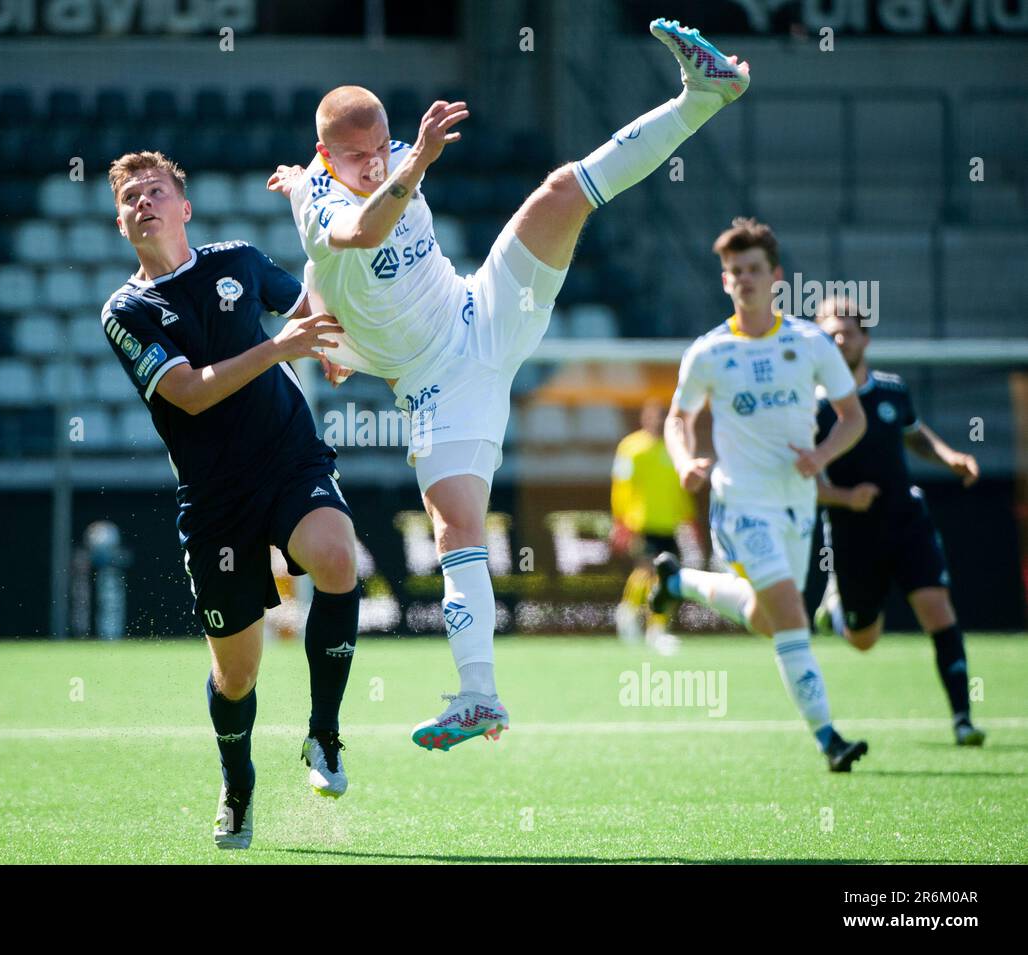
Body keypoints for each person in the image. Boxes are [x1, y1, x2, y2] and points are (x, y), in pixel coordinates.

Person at [267, 19, 751, 750]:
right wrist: (416, 162)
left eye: (381, 148)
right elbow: (363, 233)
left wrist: (339, 338)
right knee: (458, 527)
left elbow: (331, 301)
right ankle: (479, 696)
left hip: (482, 310)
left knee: (563, 191)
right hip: (438, 387)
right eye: (354, 157)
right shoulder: (320, 204)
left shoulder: (397, 157)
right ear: (322, 155)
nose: (373, 164)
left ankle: (702, 96)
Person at [101, 151, 360, 849]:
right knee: (237, 672)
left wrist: (326, 331)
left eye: (156, 191)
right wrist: (283, 347)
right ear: (122, 222)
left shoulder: (239, 261)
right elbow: (189, 391)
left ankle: (324, 735)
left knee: (338, 559)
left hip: (287, 456)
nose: (144, 202)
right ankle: (238, 782)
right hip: (215, 502)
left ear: (184, 207)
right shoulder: (126, 311)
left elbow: (301, 301)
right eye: (131, 198)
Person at [649, 218, 870, 771]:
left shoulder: (810, 343)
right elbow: (680, 417)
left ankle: (679, 581)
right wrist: (685, 461)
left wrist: (820, 459)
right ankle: (829, 738)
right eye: (733, 272)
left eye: (753, 270)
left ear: (776, 277)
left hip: (796, 505)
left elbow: (853, 418)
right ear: (725, 283)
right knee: (791, 616)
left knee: (769, 617)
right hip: (740, 504)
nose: (743, 279)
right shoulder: (709, 352)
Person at [813, 299, 986, 746]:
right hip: (852, 533)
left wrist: (950, 457)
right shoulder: (810, 408)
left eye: (847, 332)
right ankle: (836, 612)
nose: (839, 340)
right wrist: (845, 498)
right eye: (830, 334)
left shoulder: (892, 390)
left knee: (937, 609)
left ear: (865, 338)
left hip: (906, 520)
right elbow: (799, 482)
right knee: (864, 640)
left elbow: (914, 434)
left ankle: (963, 719)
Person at [610, 399, 694, 654]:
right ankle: (627, 612)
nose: (657, 422)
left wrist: (688, 517)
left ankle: (656, 630)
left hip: (667, 524)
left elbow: (681, 489)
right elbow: (621, 486)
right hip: (640, 522)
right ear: (644, 418)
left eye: (662, 417)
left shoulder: (674, 449)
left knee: (666, 578)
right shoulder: (631, 447)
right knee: (646, 570)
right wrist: (621, 521)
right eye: (654, 416)